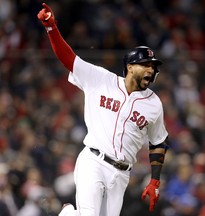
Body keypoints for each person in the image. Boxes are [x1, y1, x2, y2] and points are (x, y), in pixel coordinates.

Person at [37, 3, 169, 216]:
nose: (151, 69)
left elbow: (158, 142)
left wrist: (154, 180)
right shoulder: (101, 80)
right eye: (146, 64)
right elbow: (68, 59)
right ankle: (69, 212)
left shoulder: (154, 104)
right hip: (94, 161)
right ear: (130, 67)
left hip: (121, 174)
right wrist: (51, 27)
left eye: (153, 66)